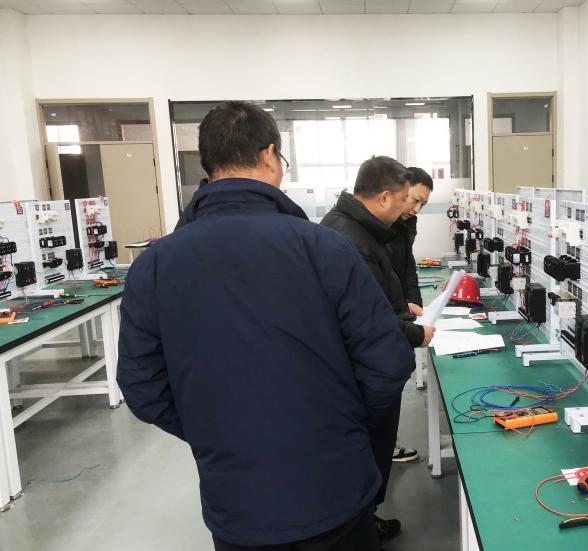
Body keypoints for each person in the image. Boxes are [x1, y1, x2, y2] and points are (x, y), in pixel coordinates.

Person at [117, 101, 414, 551]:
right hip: (334, 487)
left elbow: (141, 385)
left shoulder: (154, 265)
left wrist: (213, 430)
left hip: (237, 504)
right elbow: (388, 360)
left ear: (208, 163)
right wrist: (345, 424)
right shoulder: (324, 248)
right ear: (269, 155)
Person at [320, 156, 435, 542]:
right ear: (385, 197)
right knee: (366, 453)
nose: (408, 210)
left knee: (372, 452)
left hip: (371, 364)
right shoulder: (352, 238)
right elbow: (367, 317)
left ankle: (365, 522)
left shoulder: (363, 230)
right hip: (363, 370)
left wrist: (405, 310)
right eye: (406, 199)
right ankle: (361, 530)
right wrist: (414, 334)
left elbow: (386, 289)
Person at [386, 166, 434, 464]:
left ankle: (386, 446)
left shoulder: (406, 223)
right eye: (414, 200)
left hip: (399, 311)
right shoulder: (381, 227)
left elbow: (406, 267)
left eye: (423, 204)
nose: (416, 209)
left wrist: (412, 303)